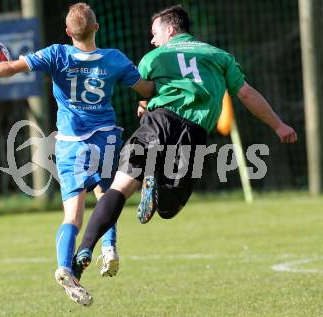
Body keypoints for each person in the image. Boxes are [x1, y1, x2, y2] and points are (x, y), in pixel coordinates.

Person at [72, 4, 297, 285]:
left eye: (155, 33)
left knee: (119, 187)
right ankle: (154, 185)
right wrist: (279, 125)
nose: (152, 40)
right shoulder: (219, 57)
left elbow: (144, 97)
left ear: (171, 29)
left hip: (157, 123)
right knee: (169, 208)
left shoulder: (152, 58)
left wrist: (144, 107)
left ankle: (83, 251)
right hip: (192, 134)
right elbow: (247, 95)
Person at [0, 3, 154, 306]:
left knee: (72, 214)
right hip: (105, 140)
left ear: (68, 32)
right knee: (108, 197)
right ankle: (108, 249)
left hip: (71, 143)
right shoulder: (114, 60)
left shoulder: (57, 54)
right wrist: (153, 97)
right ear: (96, 28)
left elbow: (8, 68)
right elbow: (147, 89)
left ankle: (64, 266)